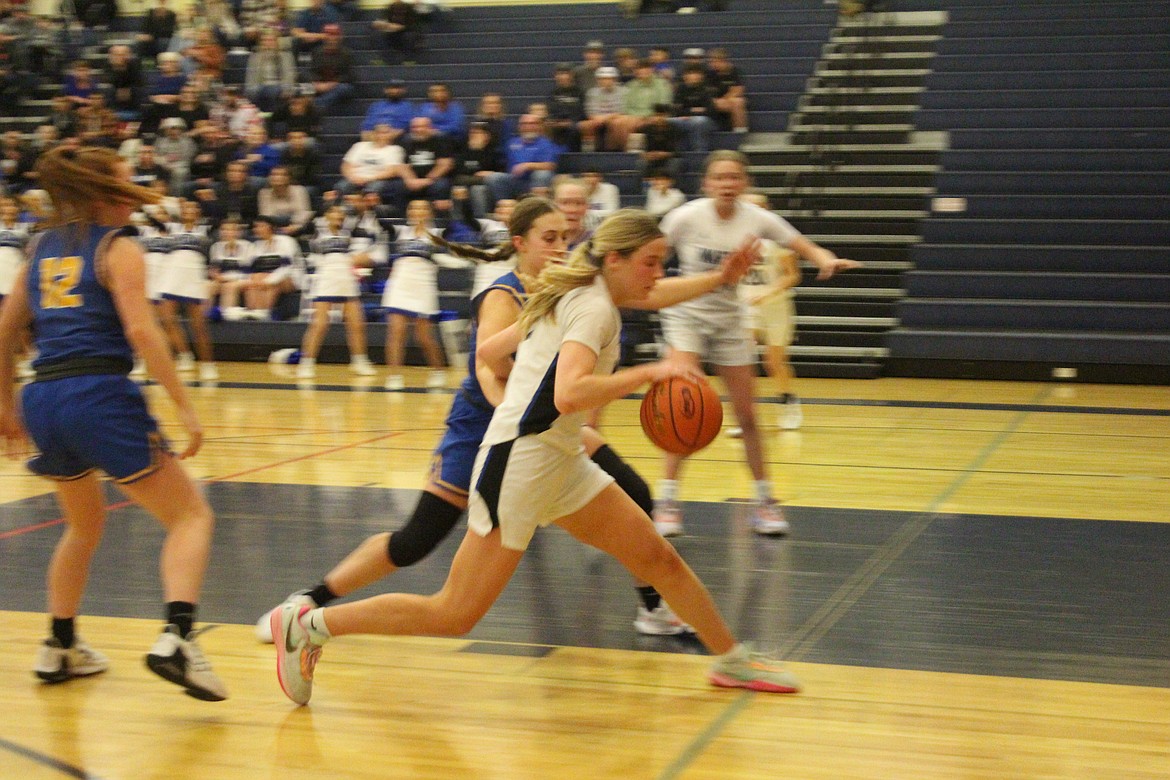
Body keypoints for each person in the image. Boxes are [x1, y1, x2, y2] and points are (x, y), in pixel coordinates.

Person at [268, 208, 799, 705]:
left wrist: (720, 278)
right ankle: (308, 625)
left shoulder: (578, 286)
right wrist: (648, 374)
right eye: (650, 263)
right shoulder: (591, 306)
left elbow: (489, 351)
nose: (657, 275)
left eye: (661, 262)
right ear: (614, 259)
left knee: (656, 557)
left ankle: (731, 658)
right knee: (453, 613)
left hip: (558, 458)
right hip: (520, 464)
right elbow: (568, 395)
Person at [0, 146, 226, 701]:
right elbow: (143, 334)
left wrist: (6, 409)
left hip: (44, 399)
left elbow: (3, 333)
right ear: (102, 194)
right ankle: (178, 638)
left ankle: (58, 645)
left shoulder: (38, 251)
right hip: (98, 393)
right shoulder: (119, 249)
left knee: (84, 525)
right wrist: (185, 406)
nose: (135, 194)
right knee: (191, 516)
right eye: (127, 185)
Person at [652, 151, 859, 538]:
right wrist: (655, 288)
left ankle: (764, 500)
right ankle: (667, 501)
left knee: (747, 415)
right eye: (719, 178)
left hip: (731, 316)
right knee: (681, 407)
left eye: (734, 177)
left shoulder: (757, 218)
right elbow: (652, 256)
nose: (727, 184)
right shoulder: (684, 217)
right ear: (707, 184)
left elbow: (797, 242)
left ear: (744, 183)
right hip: (687, 314)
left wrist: (823, 257)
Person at [730, 193, 803, 433]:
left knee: (774, 361)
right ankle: (746, 417)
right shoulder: (733, 237)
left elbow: (793, 275)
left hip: (776, 306)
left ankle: (788, 403)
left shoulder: (779, 239)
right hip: (746, 305)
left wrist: (769, 292)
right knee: (743, 359)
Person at [294, 204, 379, 379]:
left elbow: (371, 236)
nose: (339, 216)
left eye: (341, 213)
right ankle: (306, 363)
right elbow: (301, 229)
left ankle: (359, 361)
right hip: (326, 277)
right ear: (326, 216)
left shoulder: (349, 232)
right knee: (319, 324)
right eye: (334, 212)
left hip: (346, 277)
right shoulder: (316, 231)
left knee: (356, 323)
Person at [380, 199, 453, 390]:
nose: (418, 211)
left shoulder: (438, 234)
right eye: (413, 208)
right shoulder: (399, 231)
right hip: (400, 283)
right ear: (408, 212)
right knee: (396, 332)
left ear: (429, 212)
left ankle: (438, 370)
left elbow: (458, 224)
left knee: (424, 336)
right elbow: (378, 220)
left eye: (422, 208)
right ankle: (394, 375)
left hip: (423, 285)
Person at [155, 199, 219, 381]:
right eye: (186, 208)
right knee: (166, 319)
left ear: (199, 212)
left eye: (193, 207)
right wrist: (176, 201)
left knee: (198, 326)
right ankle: (184, 355)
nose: (189, 210)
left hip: (193, 277)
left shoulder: (206, 230)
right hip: (171, 277)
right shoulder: (172, 228)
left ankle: (208, 364)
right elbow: (158, 209)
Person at [486, 113, 560, 205]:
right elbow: (498, 160)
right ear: (519, 126)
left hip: (534, 182)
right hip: (514, 180)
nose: (528, 127)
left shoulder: (545, 144)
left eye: (532, 124)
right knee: (494, 177)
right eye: (524, 124)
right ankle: (506, 207)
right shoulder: (511, 142)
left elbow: (550, 165)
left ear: (539, 126)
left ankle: (536, 207)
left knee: (543, 174)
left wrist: (527, 165)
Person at [208, 217, 252, 320]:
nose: (227, 232)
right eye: (224, 229)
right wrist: (216, 276)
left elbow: (248, 271)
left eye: (231, 230)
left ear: (238, 232)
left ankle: (226, 318)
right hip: (222, 279)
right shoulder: (216, 246)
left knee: (229, 287)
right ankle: (205, 318)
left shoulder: (248, 246)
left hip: (243, 279)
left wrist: (227, 278)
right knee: (207, 286)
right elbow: (214, 269)